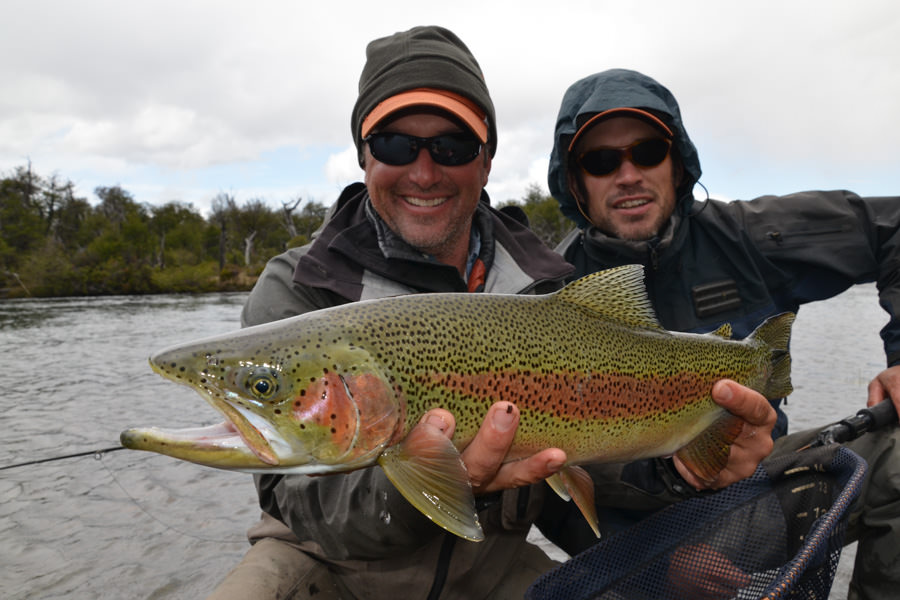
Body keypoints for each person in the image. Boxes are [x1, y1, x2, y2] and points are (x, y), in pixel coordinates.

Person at [206, 30, 776, 600]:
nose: (424, 172)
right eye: (396, 145)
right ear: (363, 155)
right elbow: (300, 501)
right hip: (327, 567)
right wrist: (443, 480)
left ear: (486, 159)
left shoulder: (548, 287)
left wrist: (679, 474)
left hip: (493, 568)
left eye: (452, 146)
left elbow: (580, 466)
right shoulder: (298, 288)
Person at [543, 68, 900, 600]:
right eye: (600, 161)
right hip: (639, 543)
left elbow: (890, 226)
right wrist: (656, 566)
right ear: (575, 182)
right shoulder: (550, 293)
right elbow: (542, 488)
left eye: (647, 151)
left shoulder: (751, 237)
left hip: (766, 491)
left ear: (678, 161)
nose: (628, 174)